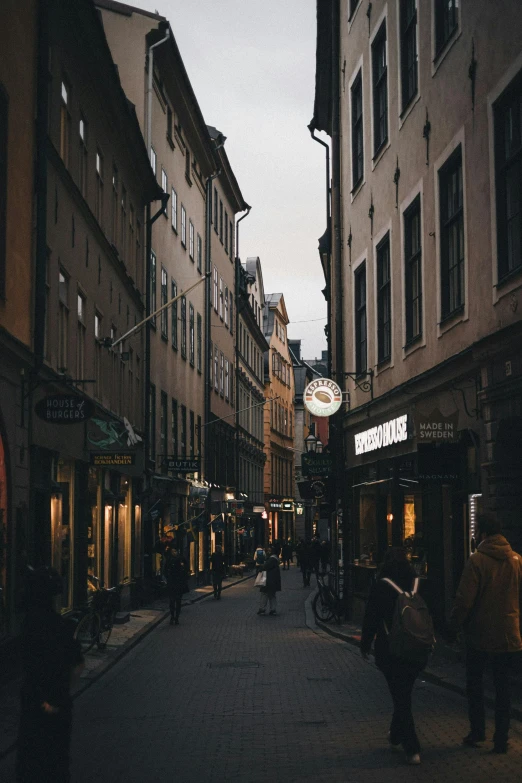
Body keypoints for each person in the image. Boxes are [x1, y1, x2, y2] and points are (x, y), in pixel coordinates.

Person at [449, 512, 522, 754]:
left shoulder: (477, 561)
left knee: (475, 685)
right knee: (503, 689)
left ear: (482, 533)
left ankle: (478, 732)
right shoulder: (516, 560)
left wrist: (455, 624)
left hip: (479, 634)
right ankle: (501, 739)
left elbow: (464, 600)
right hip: (509, 634)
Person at [16, 566, 84, 783]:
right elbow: (76, 663)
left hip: (37, 701)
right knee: (55, 761)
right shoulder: (59, 626)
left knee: (32, 761)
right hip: (52, 703)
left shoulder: (29, 625)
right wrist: (62, 695)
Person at [360, 548, 428, 766]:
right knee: (403, 693)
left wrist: (365, 643)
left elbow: (371, 616)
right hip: (417, 648)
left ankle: (412, 747)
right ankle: (397, 735)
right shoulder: (418, 583)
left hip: (390, 650)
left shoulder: (381, 586)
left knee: (401, 697)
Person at [165, 545, 189, 625]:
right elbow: (165, 571)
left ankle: (176, 618)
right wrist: (168, 578)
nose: (174, 553)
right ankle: (172, 616)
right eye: (173, 551)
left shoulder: (181, 559)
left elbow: (186, 569)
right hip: (172, 583)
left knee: (178, 601)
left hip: (179, 584)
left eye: (175, 551)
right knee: (172, 601)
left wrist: (184, 577)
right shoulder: (169, 560)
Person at [257, 547, 281, 616]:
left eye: (270, 551)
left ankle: (263, 609)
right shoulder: (275, 559)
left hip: (268, 580)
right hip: (272, 580)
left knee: (265, 594)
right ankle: (272, 609)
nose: (268, 552)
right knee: (271, 595)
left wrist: (260, 568)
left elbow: (265, 567)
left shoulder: (272, 559)